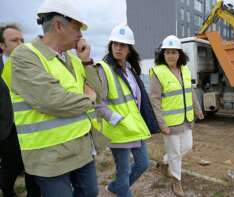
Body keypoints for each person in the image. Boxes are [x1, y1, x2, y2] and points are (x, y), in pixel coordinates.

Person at [10, 0, 99, 196]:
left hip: (81, 148)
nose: (81, 35)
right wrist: (89, 100)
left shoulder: (74, 60)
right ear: (59, 26)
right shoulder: (24, 56)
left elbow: (98, 90)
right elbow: (53, 101)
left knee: (90, 193)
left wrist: (87, 62)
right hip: (49, 156)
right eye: (77, 28)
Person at [85, 23, 160, 197]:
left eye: (123, 45)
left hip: (133, 127)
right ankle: (122, 191)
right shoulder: (103, 69)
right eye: (115, 44)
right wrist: (115, 118)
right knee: (124, 172)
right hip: (119, 129)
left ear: (129, 49)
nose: (118, 48)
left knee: (143, 164)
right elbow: (96, 101)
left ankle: (115, 188)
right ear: (111, 45)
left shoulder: (130, 69)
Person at [149, 35, 204, 196]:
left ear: (179, 54)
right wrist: (162, 124)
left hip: (186, 119)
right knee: (174, 153)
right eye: (167, 52)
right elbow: (155, 100)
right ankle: (176, 181)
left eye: (174, 52)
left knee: (187, 147)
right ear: (163, 54)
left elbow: (190, 91)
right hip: (169, 122)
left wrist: (198, 109)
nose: (171, 55)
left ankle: (165, 162)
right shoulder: (157, 72)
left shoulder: (185, 70)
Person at [0, 24, 41, 197]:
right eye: (14, 40)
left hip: (31, 129)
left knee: (33, 170)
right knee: (11, 168)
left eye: (22, 40)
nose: (20, 44)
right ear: (2, 45)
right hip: (7, 131)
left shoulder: (30, 66)